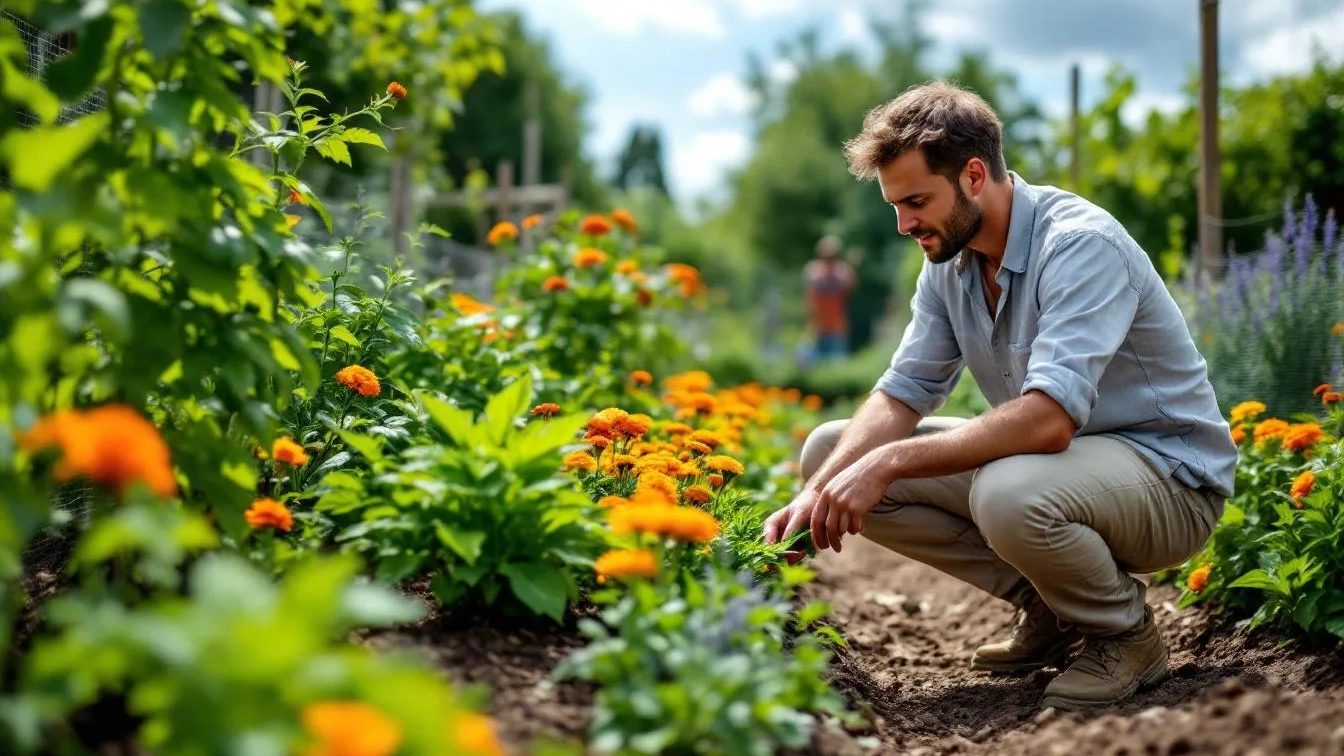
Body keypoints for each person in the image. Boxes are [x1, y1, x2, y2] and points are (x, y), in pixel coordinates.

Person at [763, 80, 1237, 712]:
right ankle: (1050, 607)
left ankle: (1126, 636)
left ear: (975, 175)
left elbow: (1047, 421)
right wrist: (816, 492)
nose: (904, 224)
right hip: (1065, 473)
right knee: (831, 453)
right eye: (894, 206)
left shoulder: (1077, 245)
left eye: (916, 201)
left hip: (1168, 481)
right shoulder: (948, 265)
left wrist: (891, 461)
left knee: (1004, 492)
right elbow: (904, 392)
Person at [803, 235, 857, 363]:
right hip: (817, 327)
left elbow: (851, 285)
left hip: (837, 327)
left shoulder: (842, 271)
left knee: (836, 364)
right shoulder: (814, 271)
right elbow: (809, 295)